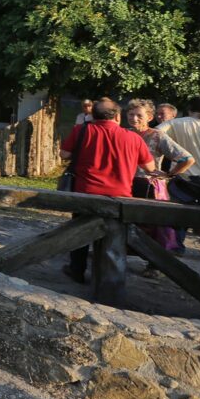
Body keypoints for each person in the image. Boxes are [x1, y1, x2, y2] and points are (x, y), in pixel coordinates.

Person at [59, 98, 155, 282]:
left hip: (85, 192)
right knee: (112, 235)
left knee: (80, 233)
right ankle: (106, 276)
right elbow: (150, 167)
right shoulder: (134, 138)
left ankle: (76, 270)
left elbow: (64, 155)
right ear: (118, 116)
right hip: (120, 197)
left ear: (92, 116)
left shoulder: (81, 130)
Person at [125, 99, 193, 262]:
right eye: (131, 114)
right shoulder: (125, 134)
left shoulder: (157, 135)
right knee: (128, 223)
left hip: (150, 186)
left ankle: (155, 265)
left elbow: (186, 158)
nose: (134, 118)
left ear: (149, 117)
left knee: (157, 228)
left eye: (139, 115)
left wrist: (168, 174)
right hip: (127, 185)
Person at [157, 96, 200, 253]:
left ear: (189, 108)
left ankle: (175, 249)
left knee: (178, 217)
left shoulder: (175, 123)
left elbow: (155, 133)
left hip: (183, 178)